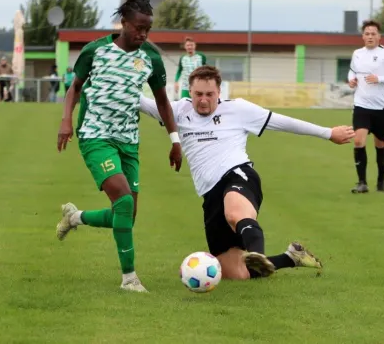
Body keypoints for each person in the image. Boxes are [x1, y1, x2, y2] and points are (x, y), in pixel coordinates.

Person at [139, 65, 354, 280]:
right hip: (209, 194)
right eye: (198, 94)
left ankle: (256, 253)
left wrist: (328, 133)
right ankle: (291, 257)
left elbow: (284, 122)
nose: (203, 100)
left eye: (209, 94)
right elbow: (140, 101)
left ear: (219, 93)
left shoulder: (239, 110)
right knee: (236, 274)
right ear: (190, 92)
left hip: (238, 174)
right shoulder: (176, 110)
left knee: (235, 213)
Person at [55, 0, 183, 293]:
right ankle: (129, 279)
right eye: (138, 28)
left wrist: (174, 140)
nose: (143, 35)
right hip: (95, 135)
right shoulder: (95, 51)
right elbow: (74, 89)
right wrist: (66, 120)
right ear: (123, 23)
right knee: (123, 202)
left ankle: (75, 217)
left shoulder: (150, 57)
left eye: (148, 29)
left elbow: (163, 101)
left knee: (126, 216)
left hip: (129, 141)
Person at [347, 20, 384, 194]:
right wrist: (352, 79)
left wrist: (379, 79)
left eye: (373, 34)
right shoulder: (357, 54)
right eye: (367, 33)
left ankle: (381, 179)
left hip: (382, 108)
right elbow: (352, 70)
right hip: (361, 105)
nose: (370, 36)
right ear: (363, 36)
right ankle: (362, 182)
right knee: (358, 141)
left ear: (379, 36)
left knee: (380, 145)